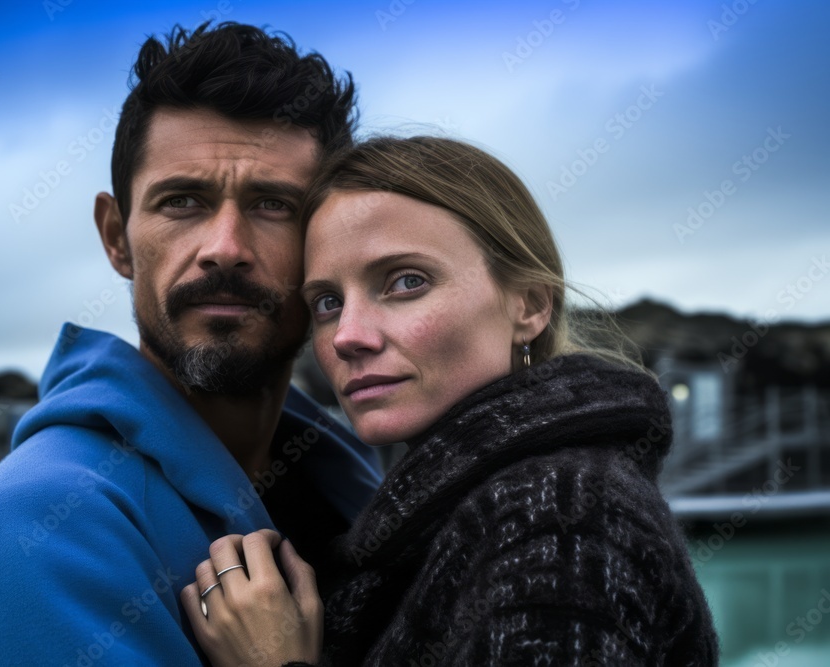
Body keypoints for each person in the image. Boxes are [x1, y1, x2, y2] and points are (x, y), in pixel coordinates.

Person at [0, 22, 383, 666]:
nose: (225, 248)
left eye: (274, 204)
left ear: (331, 243)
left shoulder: (360, 489)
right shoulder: (37, 527)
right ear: (116, 238)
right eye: (183, 201)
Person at [180, 136, 720, 665]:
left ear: (528, 305)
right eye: (327, 302)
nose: (347, 334)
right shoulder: (476, 503)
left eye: (406, 282)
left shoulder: (561, 514)